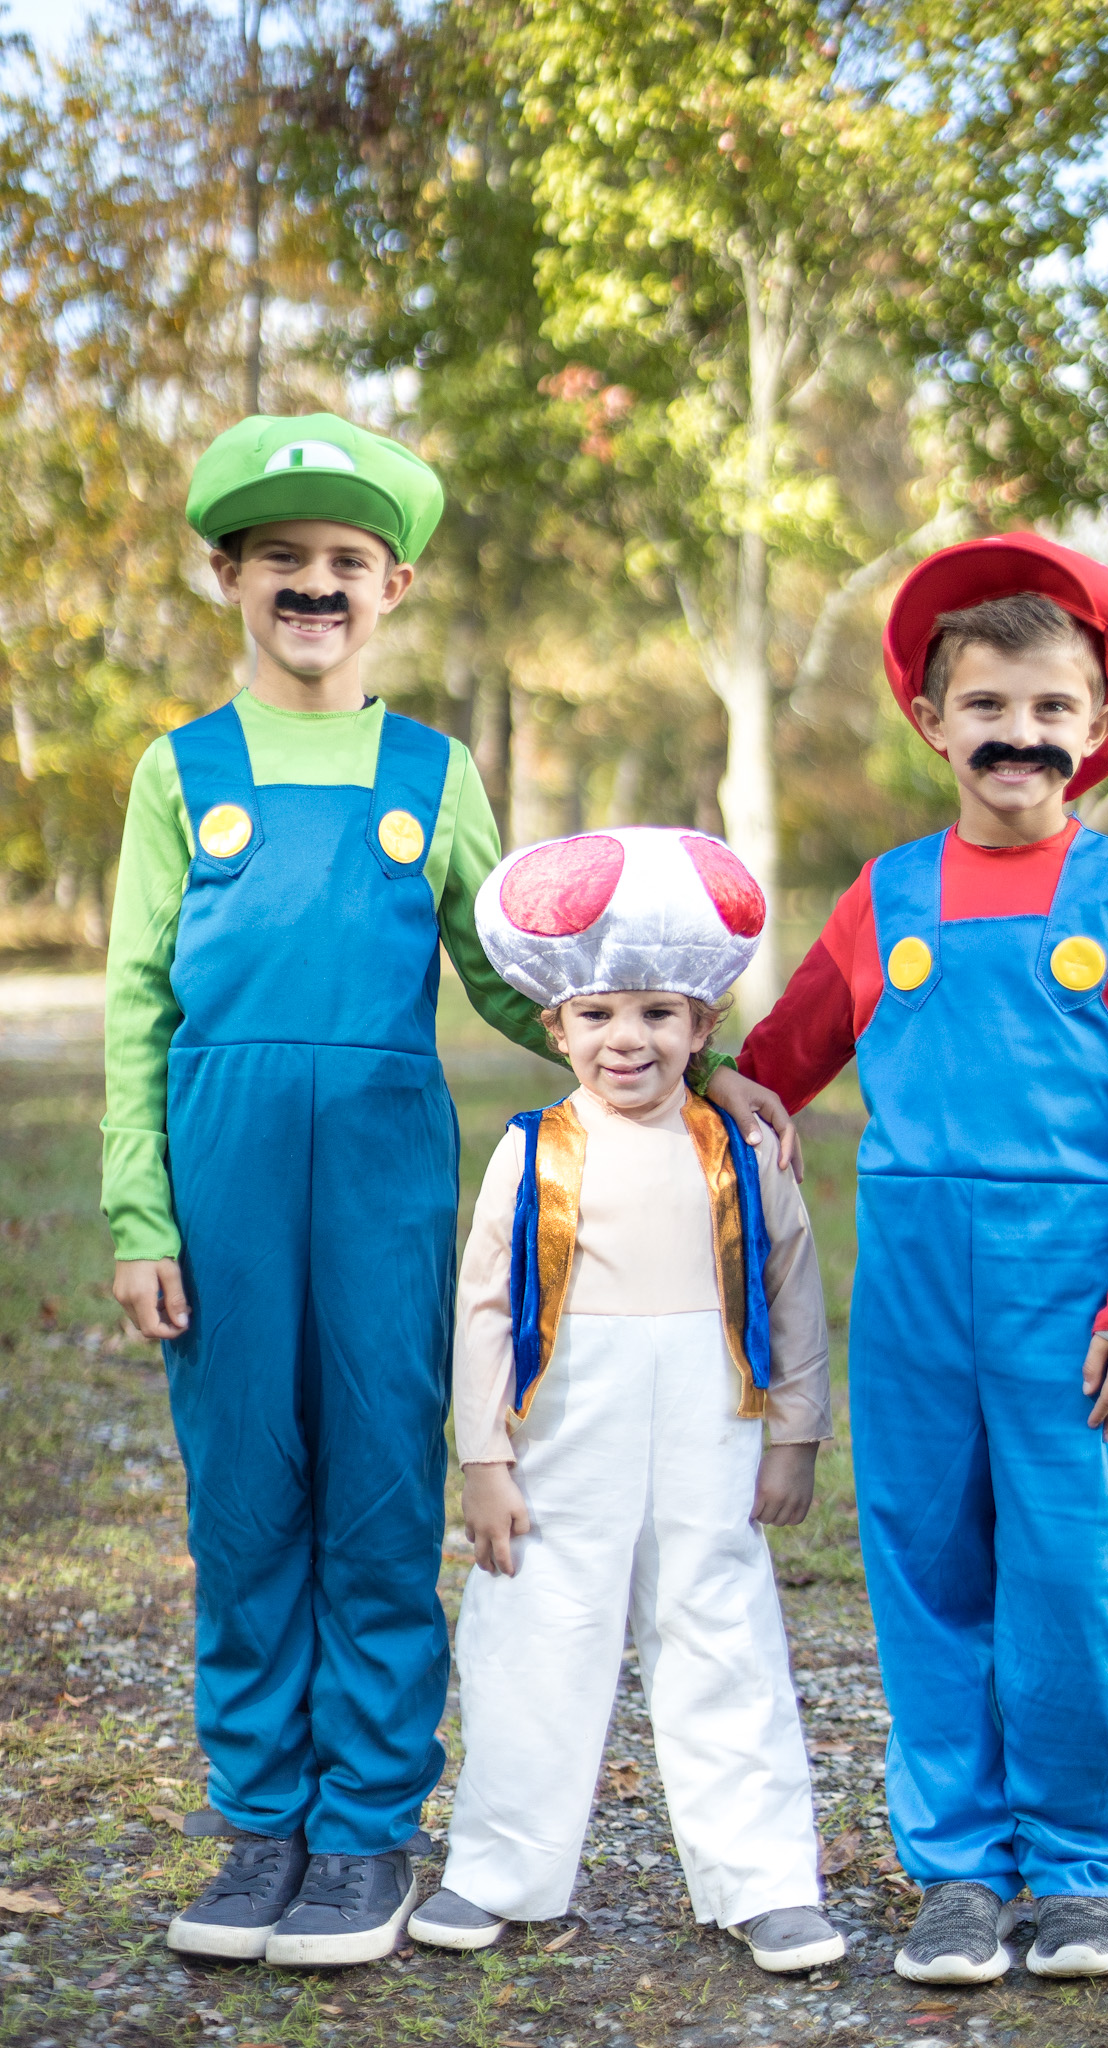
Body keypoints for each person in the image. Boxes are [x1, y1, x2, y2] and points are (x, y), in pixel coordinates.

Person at [102, 413, 569, 1967]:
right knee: (245, 1497)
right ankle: (259, 1826)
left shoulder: (434, 774)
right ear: (229, 575)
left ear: (399, 583)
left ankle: (365, 1831)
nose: (316, 585)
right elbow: (136, 1003)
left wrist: (657, 1040)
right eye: (283, 559)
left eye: (347, 563)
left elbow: (515, 983)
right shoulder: (182, 773)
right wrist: (139, 1214)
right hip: (221, 1159)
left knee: (377, 1483)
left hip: (379, 1164)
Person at [727, 535, 1108, 1983]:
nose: (1019, 733)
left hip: (1076, 1305)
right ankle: (955, 1869)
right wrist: (694, 1074)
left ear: (1096, 731)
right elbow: (781, 1060)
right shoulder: (886, 898)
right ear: (932, 721)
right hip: (920, 1305)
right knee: (929, 1570)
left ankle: (1074, 1864)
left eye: (1052, 711)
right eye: (988, 706)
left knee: (1072, 1579)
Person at [406, 827, 846, 1975]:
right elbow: (486, 1308)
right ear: (553, 1027)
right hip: (566, 1428)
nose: (627, 1039)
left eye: (658, 1013)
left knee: (722, 1630)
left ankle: (764, 1880)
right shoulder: (533, 1152)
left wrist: (794, 1431)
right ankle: (498, 1868)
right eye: (598, 1014)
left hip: (711, 1420)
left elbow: (793, 1289)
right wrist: (486, 1457)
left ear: (704, 1031)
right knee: (535, 1630)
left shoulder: (739, 1148)